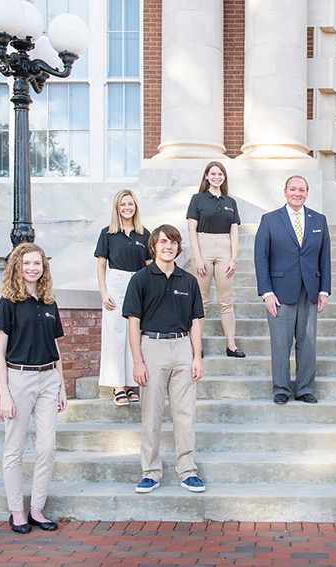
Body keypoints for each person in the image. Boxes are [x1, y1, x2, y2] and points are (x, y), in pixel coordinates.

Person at [122, 224, 207, 494]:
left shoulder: (188, 280)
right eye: (162, 242)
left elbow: (195, 321)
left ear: (178, 247)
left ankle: (187, 471)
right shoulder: (140, 279)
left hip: (183, 348)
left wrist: (197, 357)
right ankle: (150, 472)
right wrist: (137, 361)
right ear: (154, 246)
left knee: (185, 414)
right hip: (152, 347)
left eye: (172, 243)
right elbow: (133, 323)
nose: (168, 247)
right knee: (152, 414)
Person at [0, 243, 67, 534]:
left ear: (43, 268)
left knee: (46, 448)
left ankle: (37, 509)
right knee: (14, 448)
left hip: (49, 378)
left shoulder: (49, 301)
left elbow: (56, 347)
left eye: (37, 264)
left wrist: (61, 386)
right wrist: (4, 393)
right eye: (26, 264)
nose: (32, 269)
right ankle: (16, 511)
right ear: (17, 266)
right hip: (19, 378)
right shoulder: (8, 302)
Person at [254, 176, 331, 404]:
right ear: (285, 191)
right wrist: (267, 292)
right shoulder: (269, 220)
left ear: (307, 193)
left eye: (302, 190)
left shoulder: (319, 220)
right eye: (293, 189)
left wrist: (324, 290)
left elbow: (324, 257)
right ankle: (281, 389)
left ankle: (305, 388)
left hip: (310, 290)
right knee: (281, 342)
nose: (297, 193)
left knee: (307, 343)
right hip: (279, 292)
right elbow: (261, 258)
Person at [95, 189, 151, 406]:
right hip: (115, 283)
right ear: (117, 208)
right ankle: (117, 385)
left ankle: (130, 384)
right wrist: (103, 291)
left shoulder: (144, 234)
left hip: (137, 283)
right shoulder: (107, 234)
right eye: (123, 205)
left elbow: (148, 265)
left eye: (131, 204)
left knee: (133, 333)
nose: (127, 208)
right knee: (114, 333)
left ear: (135, 207)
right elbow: (101, 265)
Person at [186, 161, 244, 358]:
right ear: (206, 176)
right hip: (203, 245)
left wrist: (234, 258)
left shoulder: (230, 202)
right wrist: (198, 257)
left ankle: (231, 345)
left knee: (226, 300)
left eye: (220, 174)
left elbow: (234, 232)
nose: (217, 177)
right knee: (200, 300)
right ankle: (196, 346)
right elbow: (191, 230)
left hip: (225, 248)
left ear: (224, 177)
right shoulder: (197, 199)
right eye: (213, 173)